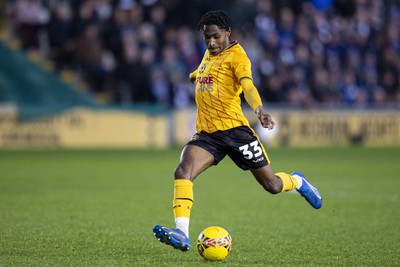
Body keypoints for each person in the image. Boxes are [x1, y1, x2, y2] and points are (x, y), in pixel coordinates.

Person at [153, 10, 322, 252]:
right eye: (207, 38)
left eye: (216, 37)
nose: (211, 42)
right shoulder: (209, 55)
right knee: (183, 171)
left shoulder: (238, 57)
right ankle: (181, 231)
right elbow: (205, 74)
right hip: (208, 135)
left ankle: (297, 181)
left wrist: (259, 109)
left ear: (227, 33)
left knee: (272, 185)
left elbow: (247, 85)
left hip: (236, 132)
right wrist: (194, 77)